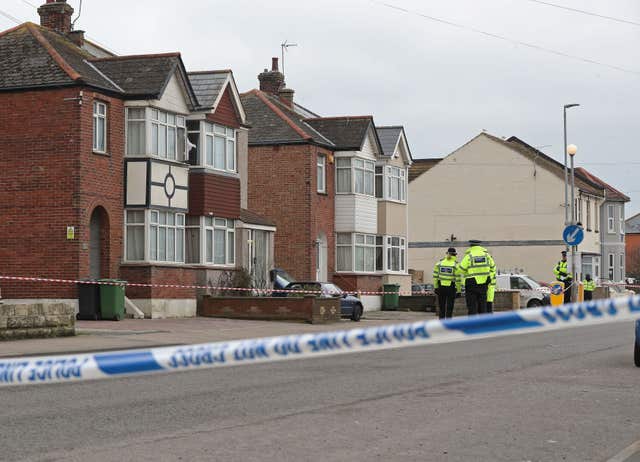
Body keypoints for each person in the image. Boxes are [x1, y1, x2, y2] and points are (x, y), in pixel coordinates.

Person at [458, 240, 496, 315]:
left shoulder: (469, 256)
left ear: (471, 246)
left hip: (471, 284)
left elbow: (460, 269)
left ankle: (472, 325)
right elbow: (493, 268)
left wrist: (467, 272)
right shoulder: (486, 255)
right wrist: (487, 277)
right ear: (480, 246)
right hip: (484, 284)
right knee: (483, 306)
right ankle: (483, 324)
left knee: (472, 306)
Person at [433, 247, 461, 319]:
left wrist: (436, 287)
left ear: (447, 254)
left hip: (440, 286)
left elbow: (435, 276)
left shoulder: (439, 263)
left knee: (441, 306)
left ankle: (441, 322)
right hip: (451, 287)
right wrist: (459, 290)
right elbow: (458, 279)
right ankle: (448, 323)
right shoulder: (455, 265)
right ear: (454, 255)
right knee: (450, 306)